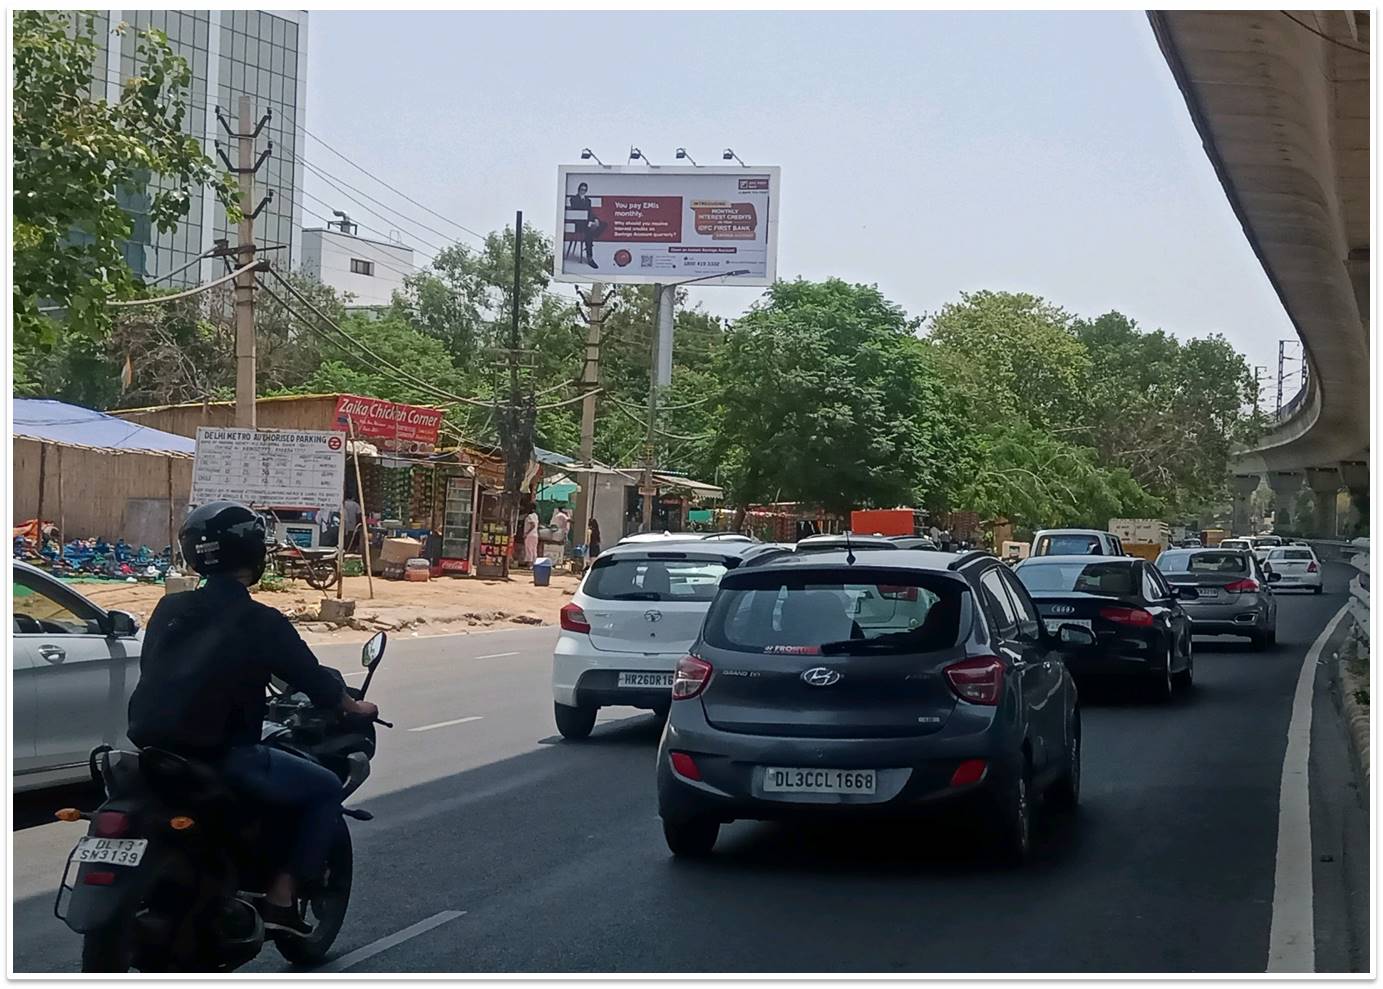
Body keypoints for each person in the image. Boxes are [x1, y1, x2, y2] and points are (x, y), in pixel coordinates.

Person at [126, 501, 380, 938]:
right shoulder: (262, 621)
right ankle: (281, 901)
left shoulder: (169, 610)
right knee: (322, 788)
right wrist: (352, 706)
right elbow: (311, 679)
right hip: (223, 755)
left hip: (152, 753)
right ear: (254, 554)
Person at [567, 182, 605, 269]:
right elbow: (577, 210)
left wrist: (595, 219)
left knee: (602, 224)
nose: (582, 191)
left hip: (587, 223)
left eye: (584, 190)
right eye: (581, 189)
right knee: (589, 234)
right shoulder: (574, 199)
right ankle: (590, 258)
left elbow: (590, 212)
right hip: (578, 223)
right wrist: (588, 220)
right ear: (578, 189)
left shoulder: (588, 200)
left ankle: (591, 237)